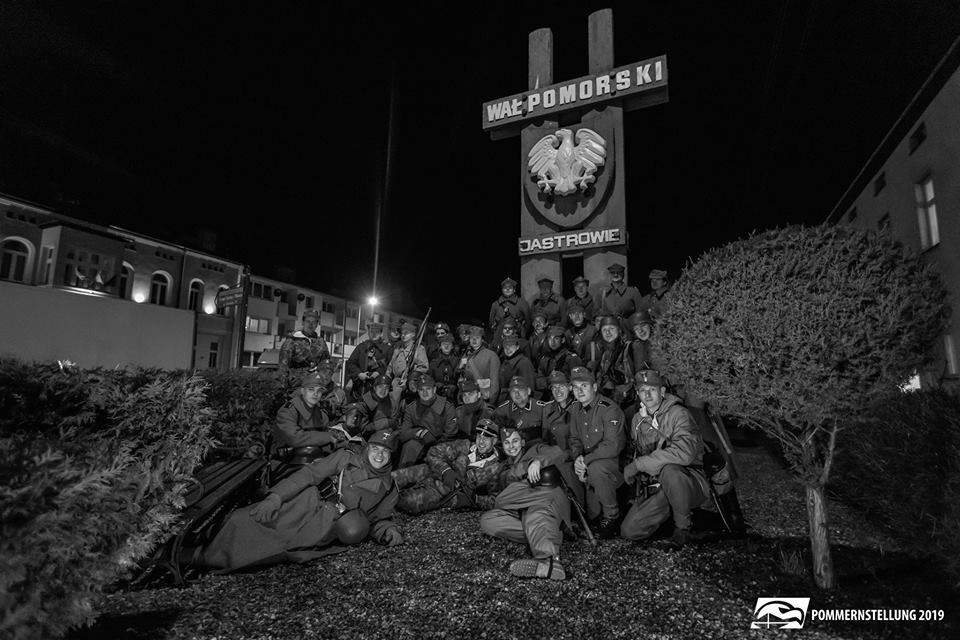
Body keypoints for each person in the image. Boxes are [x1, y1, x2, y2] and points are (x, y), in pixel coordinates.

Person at [200, 430, 403, 571]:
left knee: (265, 552)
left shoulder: (390, 488)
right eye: (375, 448)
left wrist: (388, 531)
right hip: (305, 504)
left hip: (325, 529)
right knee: (245, 520)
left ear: (391, 455)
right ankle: (203, 543)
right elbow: (309, 474)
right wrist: (276, 496)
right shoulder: (345, 457)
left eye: (385, 451)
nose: (379, 455)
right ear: (367, 449)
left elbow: (378, 519)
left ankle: (203, 557)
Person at [620, 370, 710, 549]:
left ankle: (683, 529)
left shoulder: (679, 414)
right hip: (656, 484)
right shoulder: (637, 419)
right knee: (629, 531)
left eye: (652, 390)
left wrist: (639, 465)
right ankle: (681, 517)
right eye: (643, 390)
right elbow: (637, 451)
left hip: (688, 480)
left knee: (670, 471)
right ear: (637, 394)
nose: (647, 395)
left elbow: (684, 453)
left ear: (662, 392)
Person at [479, 425, 571, 581]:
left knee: (535, 513)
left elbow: (557, 452)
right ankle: (544, 533)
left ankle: (548, 562)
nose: (511, 446)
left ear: (522, 442)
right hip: (521, 506)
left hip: (545, 496)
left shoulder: (536, 449)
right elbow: (497, 499)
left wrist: (537, 462)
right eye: (507, 443)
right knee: (488, 520)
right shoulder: (503, 468)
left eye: (515, 441)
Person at [394, 418, 506, 514]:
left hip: (447, 493)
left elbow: (495, 501)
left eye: (486, 438)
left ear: (494, 441)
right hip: (432, 472)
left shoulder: (496, 468)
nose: (481, 442)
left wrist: (474, 499)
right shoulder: (465, 445)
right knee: (393, 478)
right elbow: (434, 451)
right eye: (479, 437)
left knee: (405, 502)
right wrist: (445, 470)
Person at [567, 366, 626, 539]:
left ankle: (612, 515)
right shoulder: (576, 408)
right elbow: (575, 439)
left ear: (594, 387)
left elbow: (612, 446)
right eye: (576, 387)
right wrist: (577, 458)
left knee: (596, 469)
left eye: (584, 386)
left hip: (613, 465)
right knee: (592, 516)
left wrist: (586, 460)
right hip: (588, 464)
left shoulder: (609, 409)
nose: (579, 391)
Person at [397, 373, 457, 468]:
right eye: (421, 390)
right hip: (420, 445)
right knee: (410, 446)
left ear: (434, 389)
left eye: (428, 389)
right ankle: (402, 475)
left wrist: (434, 445)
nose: (425, 393)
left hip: (441, 445)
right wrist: (421, 433)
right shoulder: (411, 408)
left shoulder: (447, 407)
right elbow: (403, 433)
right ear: (417, 391)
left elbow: (450, 434)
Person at [272, 371, 338, 453]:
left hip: (314, 456)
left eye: (319, 391)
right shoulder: (288, 411)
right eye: (311, 390)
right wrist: (326, 437)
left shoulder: (321, 415)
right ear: (303, 391)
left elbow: (329, 439)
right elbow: (294, 438)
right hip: (287, 458)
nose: (315, 394)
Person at [278, 309, 331, 384]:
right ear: (303, 322)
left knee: (337, 390)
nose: (310, 325)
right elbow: (283, 367)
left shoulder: (321, 342)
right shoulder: (292, 341)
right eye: (308, 321)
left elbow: (326, 363)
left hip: (317, 382)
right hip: (297, 384)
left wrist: (325, 376)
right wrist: (286, 384)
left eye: (314, 322)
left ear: (317, 324)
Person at [345, 320, 392, 400]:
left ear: (381, 333)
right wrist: (359, 373)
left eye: (376, 331)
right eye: (371, 331)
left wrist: (379, 372)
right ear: (368, 333)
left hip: (378, 389)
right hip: (360, 387)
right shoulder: (361, 347)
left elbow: (390, 366)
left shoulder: (387, 349)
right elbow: (351, 363)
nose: (374, 334)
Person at [494, 376, 548, 444]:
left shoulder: (542, 409)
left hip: (536, 447)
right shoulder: (502, 410)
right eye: (513, 391)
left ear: (528, 391)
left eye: (521, 390)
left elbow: (548, 436)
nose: (517, 394)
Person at [388, 321, 429, 406]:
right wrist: (387, 379)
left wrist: (408, 380)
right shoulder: (397, 348)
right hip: (394, 382)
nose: (403, 335)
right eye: (402, 333)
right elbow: (390, 366)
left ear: (413, 334)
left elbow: (423, 367)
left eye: (406, 333)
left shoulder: (418, 349)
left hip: (408, 384)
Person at [534, 326, 582, 398]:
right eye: (550, 338)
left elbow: (578, 381)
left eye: (556, 338)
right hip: (550, 397)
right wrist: (550, 380)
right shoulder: (544, 359)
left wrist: (560, 379)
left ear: (562, 340)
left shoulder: (571, 358)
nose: (552, 342)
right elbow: (538, 383)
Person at [459, 325, 501, 404]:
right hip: (468, 399)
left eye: (477, 338)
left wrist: (490, 403)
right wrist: (460, 367)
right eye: (472, 338)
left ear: (482, 339)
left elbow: (495, 384)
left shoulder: (491, 355)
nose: (474, 340)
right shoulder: (466, 355)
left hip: (484, 400)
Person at [595, 315, 632, 405]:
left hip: (626, 398)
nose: (608, 332)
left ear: (619, 330)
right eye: (604, 330)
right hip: (608, 397)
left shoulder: (628, 348)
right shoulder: (604, 352)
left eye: (611, 328)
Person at [598, 263, 643, 333]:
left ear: (623, 275)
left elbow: (640, 314)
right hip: (610, 331)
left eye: (619, 272)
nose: (615, 275)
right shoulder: (604, 293)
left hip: (628, 330)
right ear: (609, 275)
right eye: (613, 273)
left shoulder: (633, 292)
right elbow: (601, 314)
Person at [497, 335, 536, 404]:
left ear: (517, 347)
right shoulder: (504, 361)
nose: (508, 349)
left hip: (516, 401)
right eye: (505, 346)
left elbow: (529, 387)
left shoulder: (524, 363)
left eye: (511, 346)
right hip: (505, 400)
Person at [565, 300, 600, 371]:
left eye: (579, 313)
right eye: (573, 314)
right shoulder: (568, 333)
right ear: (570, 316)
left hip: (590, 368)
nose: (577, 317)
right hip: (574, 369)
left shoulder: (593, 331)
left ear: (584, 315)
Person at [429, 333, 461, 402]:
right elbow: (430, 379)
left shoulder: (458, 362)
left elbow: (460, 379)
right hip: (438, 394)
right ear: (440, 346)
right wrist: (438, 385)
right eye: (444, 344)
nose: (446, 346)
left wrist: (454, 387)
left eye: (448, 344)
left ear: (452, 346)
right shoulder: (433, 363)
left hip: (454, 396)